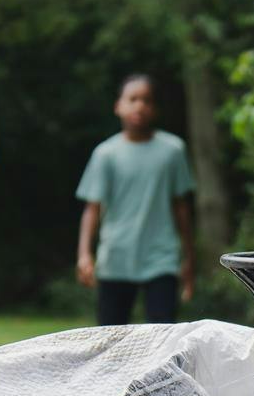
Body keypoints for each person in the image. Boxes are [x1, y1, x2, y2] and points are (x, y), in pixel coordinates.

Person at [75, 75, 195, 325]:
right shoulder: (105, 154)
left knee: (164, 336)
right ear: (118, 105)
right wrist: (84, 254)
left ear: (156, 109)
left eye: (147, 100)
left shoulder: (173, 151)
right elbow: (92, 208)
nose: (139, 106)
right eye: (133, 99)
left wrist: (188, 257)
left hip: (161, 258)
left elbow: (181, 207)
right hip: (116, 256)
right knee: (110, 337)